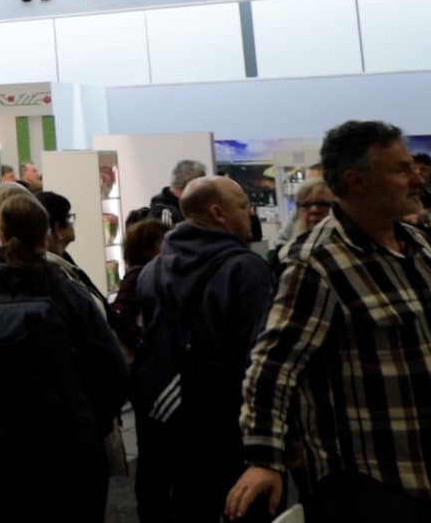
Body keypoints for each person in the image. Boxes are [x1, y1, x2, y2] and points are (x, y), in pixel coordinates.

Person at [228, 120, 431, 523]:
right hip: (373, 486)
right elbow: (273, 366)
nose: (417, 178)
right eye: (401, 169)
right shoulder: (318, 263)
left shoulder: (418, 246)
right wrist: (265, 458)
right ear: (358, 182)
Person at [0, 195, 126, 521]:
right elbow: (112, 369)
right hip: (69, 442)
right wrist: (93, 420)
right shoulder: (68, 291)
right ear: (45, 236)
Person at [130, 177, 275, 523]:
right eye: (243, 205)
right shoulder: (247, 269)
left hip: (164, 428)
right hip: (229, 433)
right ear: (218, 213)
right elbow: (261, 359)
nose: (250, 213)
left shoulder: (151, 271)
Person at [110, 218, 169, 355]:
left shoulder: (142, 274)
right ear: (148, 248)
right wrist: (141, 343)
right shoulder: (138, 275)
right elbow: (120, 314)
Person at [38, 190, 108, 306]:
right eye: (68, 217)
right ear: (58, 229)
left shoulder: (64, 264)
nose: (72, 223)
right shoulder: (56, 275)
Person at [266, 178, 334, 272]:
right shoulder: (286, 255)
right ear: (298, 211)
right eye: (306, 204)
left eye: (322, 204)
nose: (314, 210)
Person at [128, 159, 206, 231]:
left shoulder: (185, 207)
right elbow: (165, 240)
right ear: (190, 185)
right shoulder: (163, 212)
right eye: (201, 187)